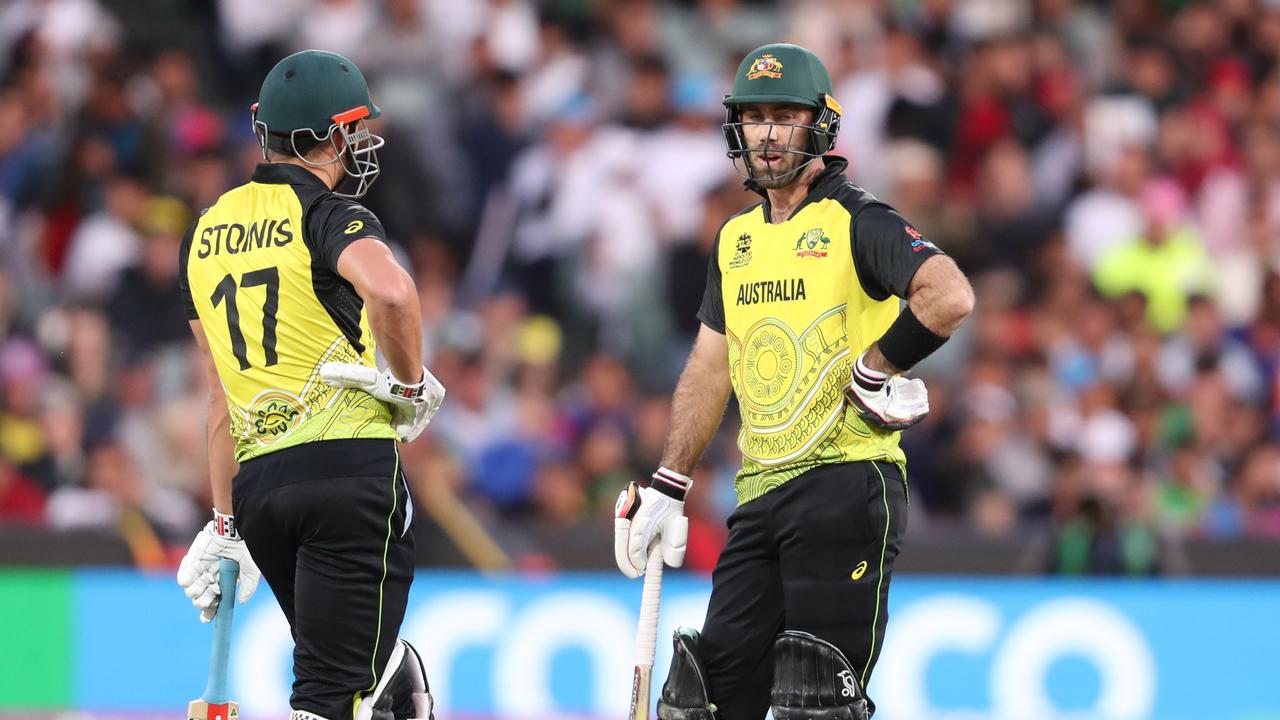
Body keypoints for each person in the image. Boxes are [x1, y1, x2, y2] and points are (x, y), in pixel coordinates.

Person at [614, 43, 974, 719]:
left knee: (817, 704)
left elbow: (949, 295)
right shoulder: (735, 239)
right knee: (706, 703)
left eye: (786, 116)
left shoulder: (857, 219)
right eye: (754, 118)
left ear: (821, 126)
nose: (769, 133)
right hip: (759, 495)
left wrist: (877, 366)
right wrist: (669, 482)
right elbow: (709, 365)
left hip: (846, 482)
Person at [174, 50, 444, 720]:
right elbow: (392, 289)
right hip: (348, 472)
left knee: (350, 679)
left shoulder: (203, 235)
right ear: (327, 135)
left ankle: (399, 688)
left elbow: (217, 396)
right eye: (352, 130)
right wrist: (408, 386)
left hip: (262, 489)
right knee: (330, 695)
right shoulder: (327, 213)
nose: (357, 146)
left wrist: (224, 520)